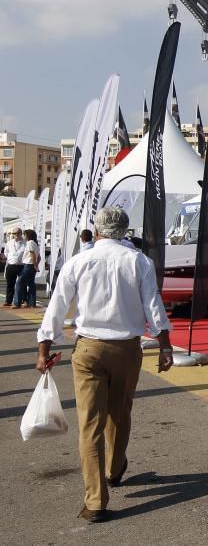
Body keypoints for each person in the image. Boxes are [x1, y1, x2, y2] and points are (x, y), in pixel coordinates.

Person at [36, 207, 174, 523]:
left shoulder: (78, 261)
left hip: (88, 349)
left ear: (96, 230)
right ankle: (114, 468)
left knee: (90, 424)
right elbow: (154, 305)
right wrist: (165, 346)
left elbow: (56, 308)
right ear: (125, 231)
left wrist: (44, 348)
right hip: (127, 348)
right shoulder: (140, 261)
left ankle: (96, 501)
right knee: (120, 411)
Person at [14, 228, 39, 308]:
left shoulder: (30, 243)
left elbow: (32, 255)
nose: (23, 236)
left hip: (28, 265)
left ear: (28, 235)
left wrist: (35, 264)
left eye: (24, 234)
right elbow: (39, 257)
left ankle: (17, 303)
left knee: (19, 282)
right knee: (31, 284)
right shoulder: (35, 243)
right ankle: (32, 303)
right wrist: (36, 265)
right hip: (32, 266)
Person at [3, 228, 24, 307]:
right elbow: (6, 253)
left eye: (18, 233)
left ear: (21, 233)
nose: (16, 235)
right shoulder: (9, 243)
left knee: (21, 284)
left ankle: (21, 300)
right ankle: (8, 300)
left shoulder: (25, 243)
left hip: (21, 266)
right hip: (11, 265)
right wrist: (11, 257)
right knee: (10, 284)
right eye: (14, 233)